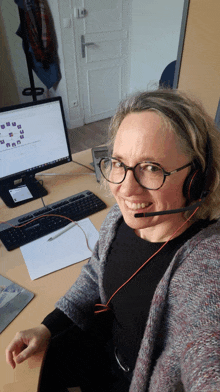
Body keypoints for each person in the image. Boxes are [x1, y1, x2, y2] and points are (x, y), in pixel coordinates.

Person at [5, 89, 220, 392]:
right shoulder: (118, 220)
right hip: (106, 352)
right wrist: (48, 326)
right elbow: (95, 274)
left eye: (151, 168)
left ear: (197, 178)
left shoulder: (205, 268)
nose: (126, 190)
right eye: (119, 163)